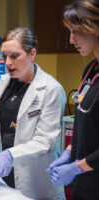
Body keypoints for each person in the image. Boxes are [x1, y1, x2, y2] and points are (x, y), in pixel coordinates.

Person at [0, 27, 66, 199]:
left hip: (36, 181)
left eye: (14, 56)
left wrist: (10, 154)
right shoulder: (3, 83)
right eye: (4, 56)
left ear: (32, 54)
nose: (8, 63)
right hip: (5, 173)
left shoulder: (50, 89)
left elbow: (46, 141)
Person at [47, 0, 99, 199]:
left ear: (94, 27)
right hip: (83, 186)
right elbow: (82, 123)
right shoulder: (90, 71)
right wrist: (69, 151)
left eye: (75, 31)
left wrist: (76, 167)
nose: (71, 39)